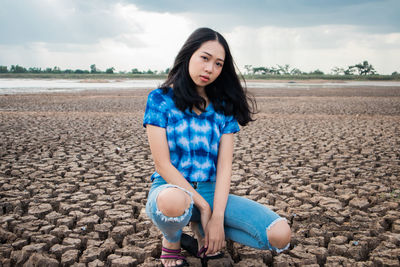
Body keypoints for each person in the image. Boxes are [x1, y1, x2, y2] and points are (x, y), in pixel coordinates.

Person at [143, 27, 291, 267]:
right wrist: (202, 206)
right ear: (189, 54)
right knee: (174, 201)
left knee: (279, 235)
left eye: (219, 64)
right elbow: (162, 164)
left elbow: (224, 168)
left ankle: (204, 232)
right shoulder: (160, 99)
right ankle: (172, 240)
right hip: (170, 190)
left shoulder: (223, 107)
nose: (210, 69)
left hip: (212, 192)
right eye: (205, 58)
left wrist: (216, 216)